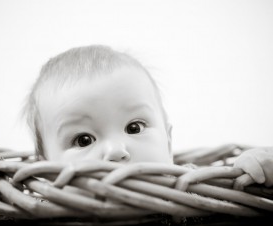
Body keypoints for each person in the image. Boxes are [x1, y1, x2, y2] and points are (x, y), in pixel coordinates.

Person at [23, 44, 273, 188]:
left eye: (134, 127)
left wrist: (253, 169)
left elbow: (230, 180)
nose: (116, 151)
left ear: (168, 142)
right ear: (44, 169)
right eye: (83, 140)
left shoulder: (193, 186)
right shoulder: (41, 208)